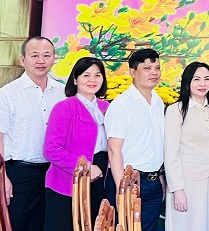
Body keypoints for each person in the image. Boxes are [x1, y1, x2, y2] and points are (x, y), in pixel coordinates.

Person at [0, 36, 65, 231]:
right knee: (18, 224)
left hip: (54, 172)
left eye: (47, 55)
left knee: (49, 224)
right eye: (34, 55)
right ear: (23, 60)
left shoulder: (63, 92)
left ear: (54, 58)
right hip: (19, 174)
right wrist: (2, 178)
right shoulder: (7, 94)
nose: (41, 61)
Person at [43, 57, 109, 231]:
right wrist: (85, 167)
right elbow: (51, 150)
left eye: (97, 75)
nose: (92, 80)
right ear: (75, 79)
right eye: (86, 75)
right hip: (67, 182)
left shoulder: (107, 108)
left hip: (101, 178)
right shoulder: (64, 107)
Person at [104, 49, 165, 231]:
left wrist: (160, 176)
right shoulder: (122, 105)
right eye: (147, 68)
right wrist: (122, 188)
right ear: (132, 72)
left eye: (157, 68)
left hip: (153, 182)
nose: (154, 73)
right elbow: (114, 150)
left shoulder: (158, 102)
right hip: (129, 182)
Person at [164, 62, 209, 231]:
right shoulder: (175, 110)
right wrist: (177, 189)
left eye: (207, 79)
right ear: (187, 82)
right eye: (196, 79)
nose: (202, 84)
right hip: (185, 183)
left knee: (204, 226)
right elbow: (171, 153)